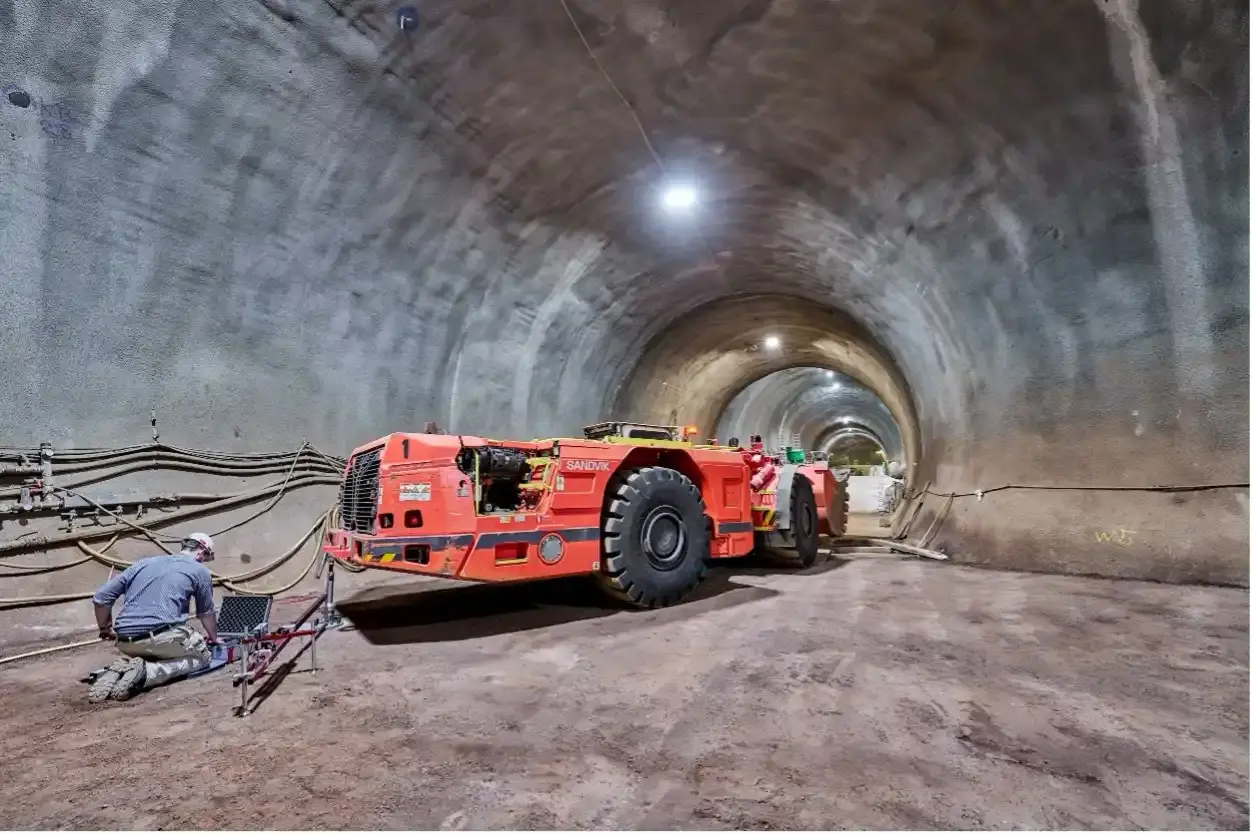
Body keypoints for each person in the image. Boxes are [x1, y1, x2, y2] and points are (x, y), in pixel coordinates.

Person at [87, 532, 219, 703]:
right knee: (202, 657)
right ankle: (147, 672)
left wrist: (105, 629)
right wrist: (214, 638)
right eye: (206, 557)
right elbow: (205, 613)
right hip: (161, 638)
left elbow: (101, 597)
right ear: (202, 552)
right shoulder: (199, 570)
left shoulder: (143, 563)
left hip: (126, 642)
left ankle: (121, 668)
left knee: (158, 649)